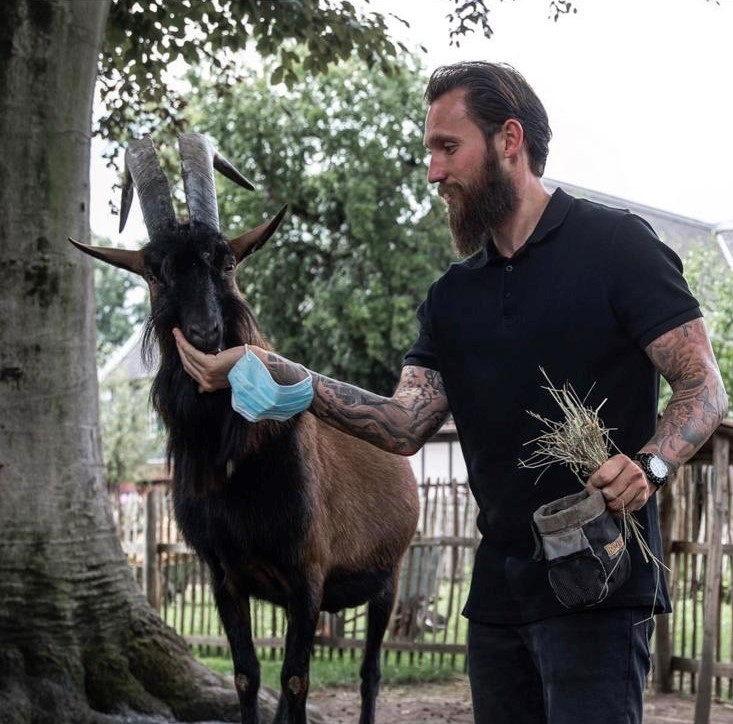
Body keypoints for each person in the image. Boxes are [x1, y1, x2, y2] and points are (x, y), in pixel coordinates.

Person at [173, 61, 728, 724]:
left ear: (508, 140)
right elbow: (404, 424)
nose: (433, 173)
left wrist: (650, 465)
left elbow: (703, 386)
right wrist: (273, 366)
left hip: (597, 585)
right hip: (496, 598)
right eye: (428, 153)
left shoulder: (616, 247)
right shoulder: (451, 299)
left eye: (447, 148)